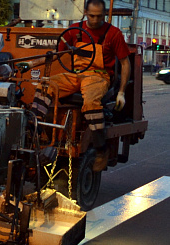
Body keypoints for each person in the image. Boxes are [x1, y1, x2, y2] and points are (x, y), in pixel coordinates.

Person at [17, 0, 130, 172]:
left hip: (98, 76)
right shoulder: (75, 30)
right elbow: (56, 54)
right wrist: (31, 64)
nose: (95, 19)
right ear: (85, 12)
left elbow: (125, 63)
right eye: (91, 15)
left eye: (99, 16)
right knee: (45, 86)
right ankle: (36, 138)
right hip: (75, 74)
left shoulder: (113, 33)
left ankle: (101, 149)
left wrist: (121, 92)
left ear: (105, 15)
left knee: (91, 103)